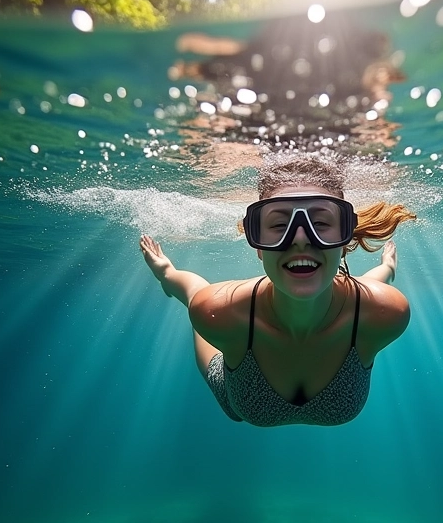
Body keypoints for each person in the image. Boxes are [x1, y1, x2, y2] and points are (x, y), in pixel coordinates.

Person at [140, 155, 415, 427]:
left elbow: (369, 293)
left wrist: (387, 267)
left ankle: (387, 266)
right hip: (235, 394)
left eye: (320, 224)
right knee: (198, 296)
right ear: (258, 246)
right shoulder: (219, 313)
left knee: (374, 285)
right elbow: (197, 295)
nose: (300, 239)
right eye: (279, 226)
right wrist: (168, 275)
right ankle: (166, 271)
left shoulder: (385, 313)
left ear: (344, 241)